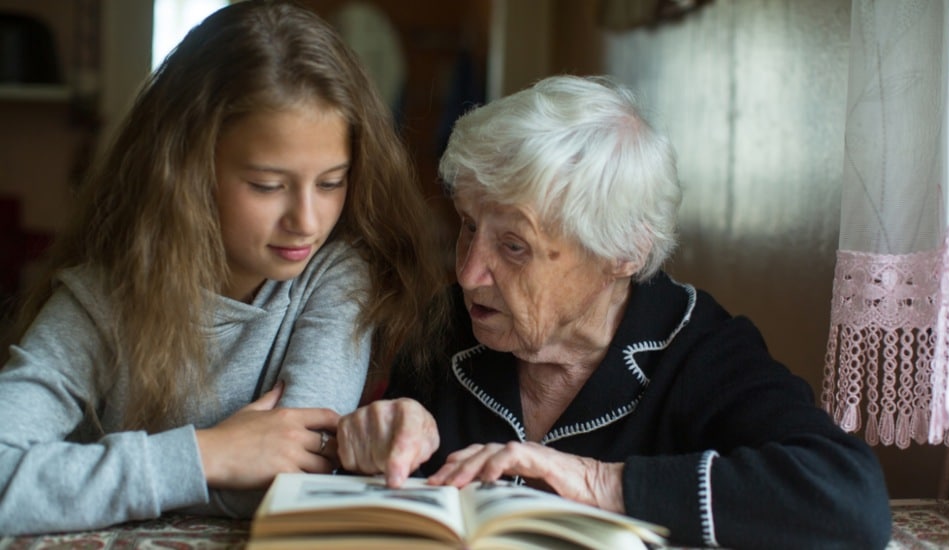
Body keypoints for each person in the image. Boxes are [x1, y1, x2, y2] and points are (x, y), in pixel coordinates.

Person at [332, 75, 893, 549]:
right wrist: (367, 444)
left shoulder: (696, 348)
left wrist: (603, 484)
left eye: (514, 246)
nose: (468, 272)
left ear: (620, 253)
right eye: (468, 226)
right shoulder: (452, 328)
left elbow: (850, 499)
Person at [0, 0, 448, 535]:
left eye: (332, 182)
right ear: (186, 172)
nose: (307, 221)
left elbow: (288, 481)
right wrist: (207, 454)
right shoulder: (101, 299)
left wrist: (81, 482)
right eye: (267, 185)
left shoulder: (337, 277)